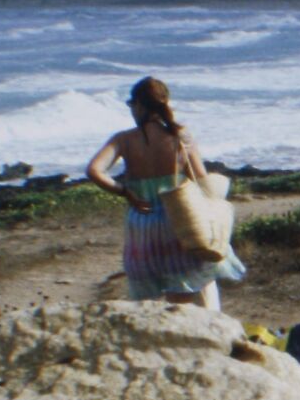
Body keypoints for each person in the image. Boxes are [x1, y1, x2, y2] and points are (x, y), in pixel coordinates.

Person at [86, 76, 245, 310]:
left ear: (139, 105)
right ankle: (209, 326)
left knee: (151, 301)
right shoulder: (180, 136)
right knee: (196, 282)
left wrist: (125, 192)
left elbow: (94, 170)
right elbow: (200, 177)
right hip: (180, 219)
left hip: (142, 227)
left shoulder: (124, 140)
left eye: (131, 105)